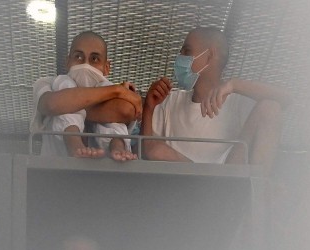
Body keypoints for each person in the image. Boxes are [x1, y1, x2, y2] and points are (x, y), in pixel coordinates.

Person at [139, 28, 288, 170]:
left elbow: (285, 100)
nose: (180, 57)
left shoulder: (238, 102)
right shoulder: (169, 101)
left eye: (187, 51)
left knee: (270, 107)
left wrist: (234, 85)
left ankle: (259, 187)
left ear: (209, 56)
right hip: (184, 184)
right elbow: (150, 150)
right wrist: (149, 107)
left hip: (229, 179)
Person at [31, 31, 140, 160]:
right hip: (56, 169)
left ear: (106, 67)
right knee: (64, 84)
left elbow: (125, 110)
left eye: (94, 59)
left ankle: (117, 147)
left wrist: (72, 103)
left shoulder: (107, 87)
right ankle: (74, 144)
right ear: (67, 61)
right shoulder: (48, 83)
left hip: (105, 171)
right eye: (78, 57)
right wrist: (117, 91)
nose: (85, 64)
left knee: (69, 102)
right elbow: (51, 104)